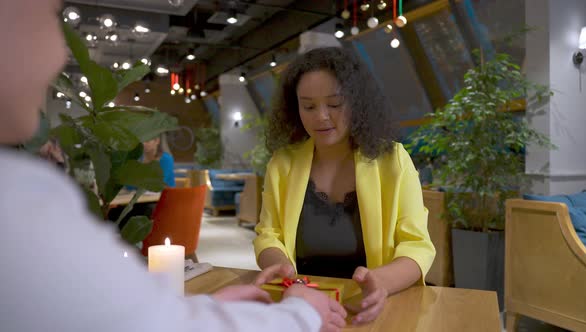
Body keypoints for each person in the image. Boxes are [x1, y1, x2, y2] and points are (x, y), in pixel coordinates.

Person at [0, 1, 347, 331]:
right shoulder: (17, 209)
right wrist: (302, 312)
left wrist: (204, 310)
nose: (59, 54)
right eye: (49, 15)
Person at [253, 47, 436, 325]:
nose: (321, 117)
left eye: (335, 104)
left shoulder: (392, 159)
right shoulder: (283, 163)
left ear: (357, 102)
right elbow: (268, 234)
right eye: (309, 106)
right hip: (303, 305)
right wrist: (284, 272)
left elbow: (417, 246)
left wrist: (381, 282)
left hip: (368, 307)